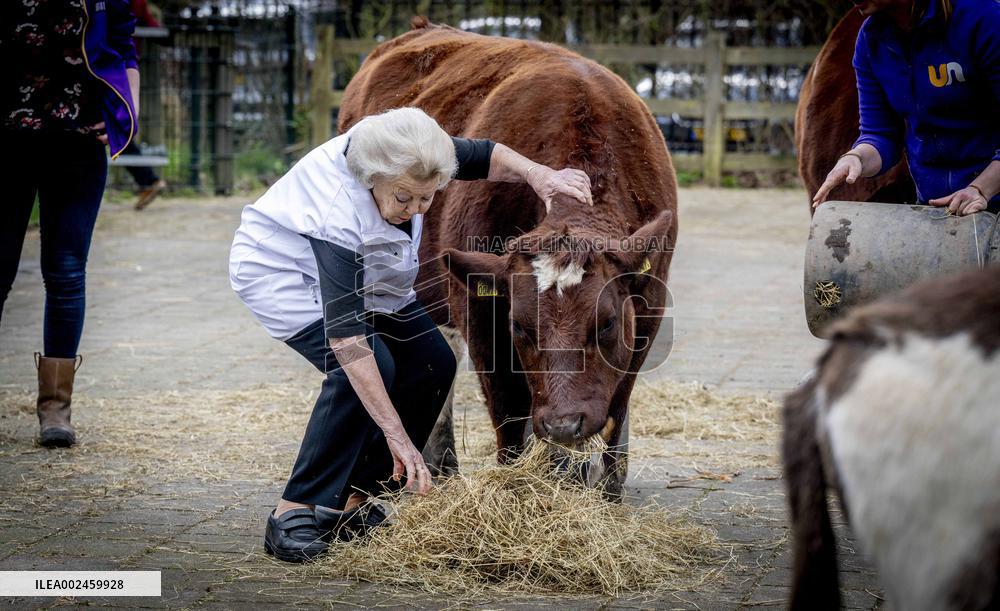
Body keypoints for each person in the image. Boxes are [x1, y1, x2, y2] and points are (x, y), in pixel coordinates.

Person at [229, 107, 593, 562]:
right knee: (364, 369)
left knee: (432, 362)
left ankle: (349, 504)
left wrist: (540, 176)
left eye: (428, 198)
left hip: (373, 273)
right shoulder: (335, 211)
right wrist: (398, 436)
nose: (417, 210)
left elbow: (482, 155)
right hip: (286, 273)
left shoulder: (412, 153)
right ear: (371, 178)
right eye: (405, 198)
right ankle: (294, 511)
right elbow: (347, 342)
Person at [0, 0, 139, 447]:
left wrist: (127, 115)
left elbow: (122, 45)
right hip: (7, 138)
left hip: (78, 139)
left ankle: (55, 409)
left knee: (65, 271)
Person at [813, 0, 1000, 215]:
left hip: (990, 198)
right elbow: (880, 135)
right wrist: (855, 158)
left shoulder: (985, 19)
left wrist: (981, 189)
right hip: (934, 207)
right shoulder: (871, 40)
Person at [126, 0, 167, 211]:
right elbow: (155, 28)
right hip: (119, 67)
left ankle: (148, 179)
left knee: (118, 131)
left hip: (117, 69)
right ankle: (147, 179)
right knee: (118, 131)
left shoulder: (135, 2)